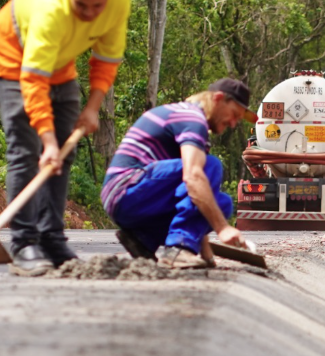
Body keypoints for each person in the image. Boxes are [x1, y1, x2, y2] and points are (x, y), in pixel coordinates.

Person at [0, 0, 131, 276]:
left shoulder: (119, 1)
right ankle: (24, 243)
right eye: (82, 6)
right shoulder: (51, 9)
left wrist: (92, 108)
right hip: (13, 58)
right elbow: (33, 79)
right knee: (28, 151)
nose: (90, 14)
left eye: (97, 7)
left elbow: (106, 58)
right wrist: (47, 140)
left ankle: (52, 239)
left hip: (61, 64)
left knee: (65, 151)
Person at [102, 79, 258, 268]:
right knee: (210, 166)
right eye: (234, 115)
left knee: (220, 203)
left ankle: (142, 239)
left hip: (134, 200)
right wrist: (223, 228)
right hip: (126, 190)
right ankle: (178, 248)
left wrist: (206, 255)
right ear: (218, 99)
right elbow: (193, 177)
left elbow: (194, 199)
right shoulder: (192, 119)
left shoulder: (188, 117)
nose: (233, 124)